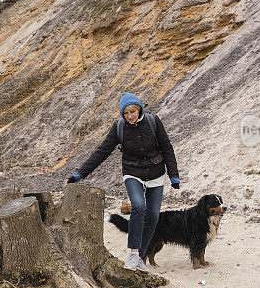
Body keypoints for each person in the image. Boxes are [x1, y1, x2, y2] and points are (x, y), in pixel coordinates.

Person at [65, 92, 180, 272]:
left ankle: (141, 257)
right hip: (132, 172)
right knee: (138, 206)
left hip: (156, 173)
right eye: (125, 113)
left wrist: (173, 175)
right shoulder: (119, 127)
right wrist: (79, 175)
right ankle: (134, 254)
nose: (129, 116)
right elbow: (101, 152)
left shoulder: (153, 121)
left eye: (132, 112)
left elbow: (167, 148)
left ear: (139, 109)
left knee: (153, 217)